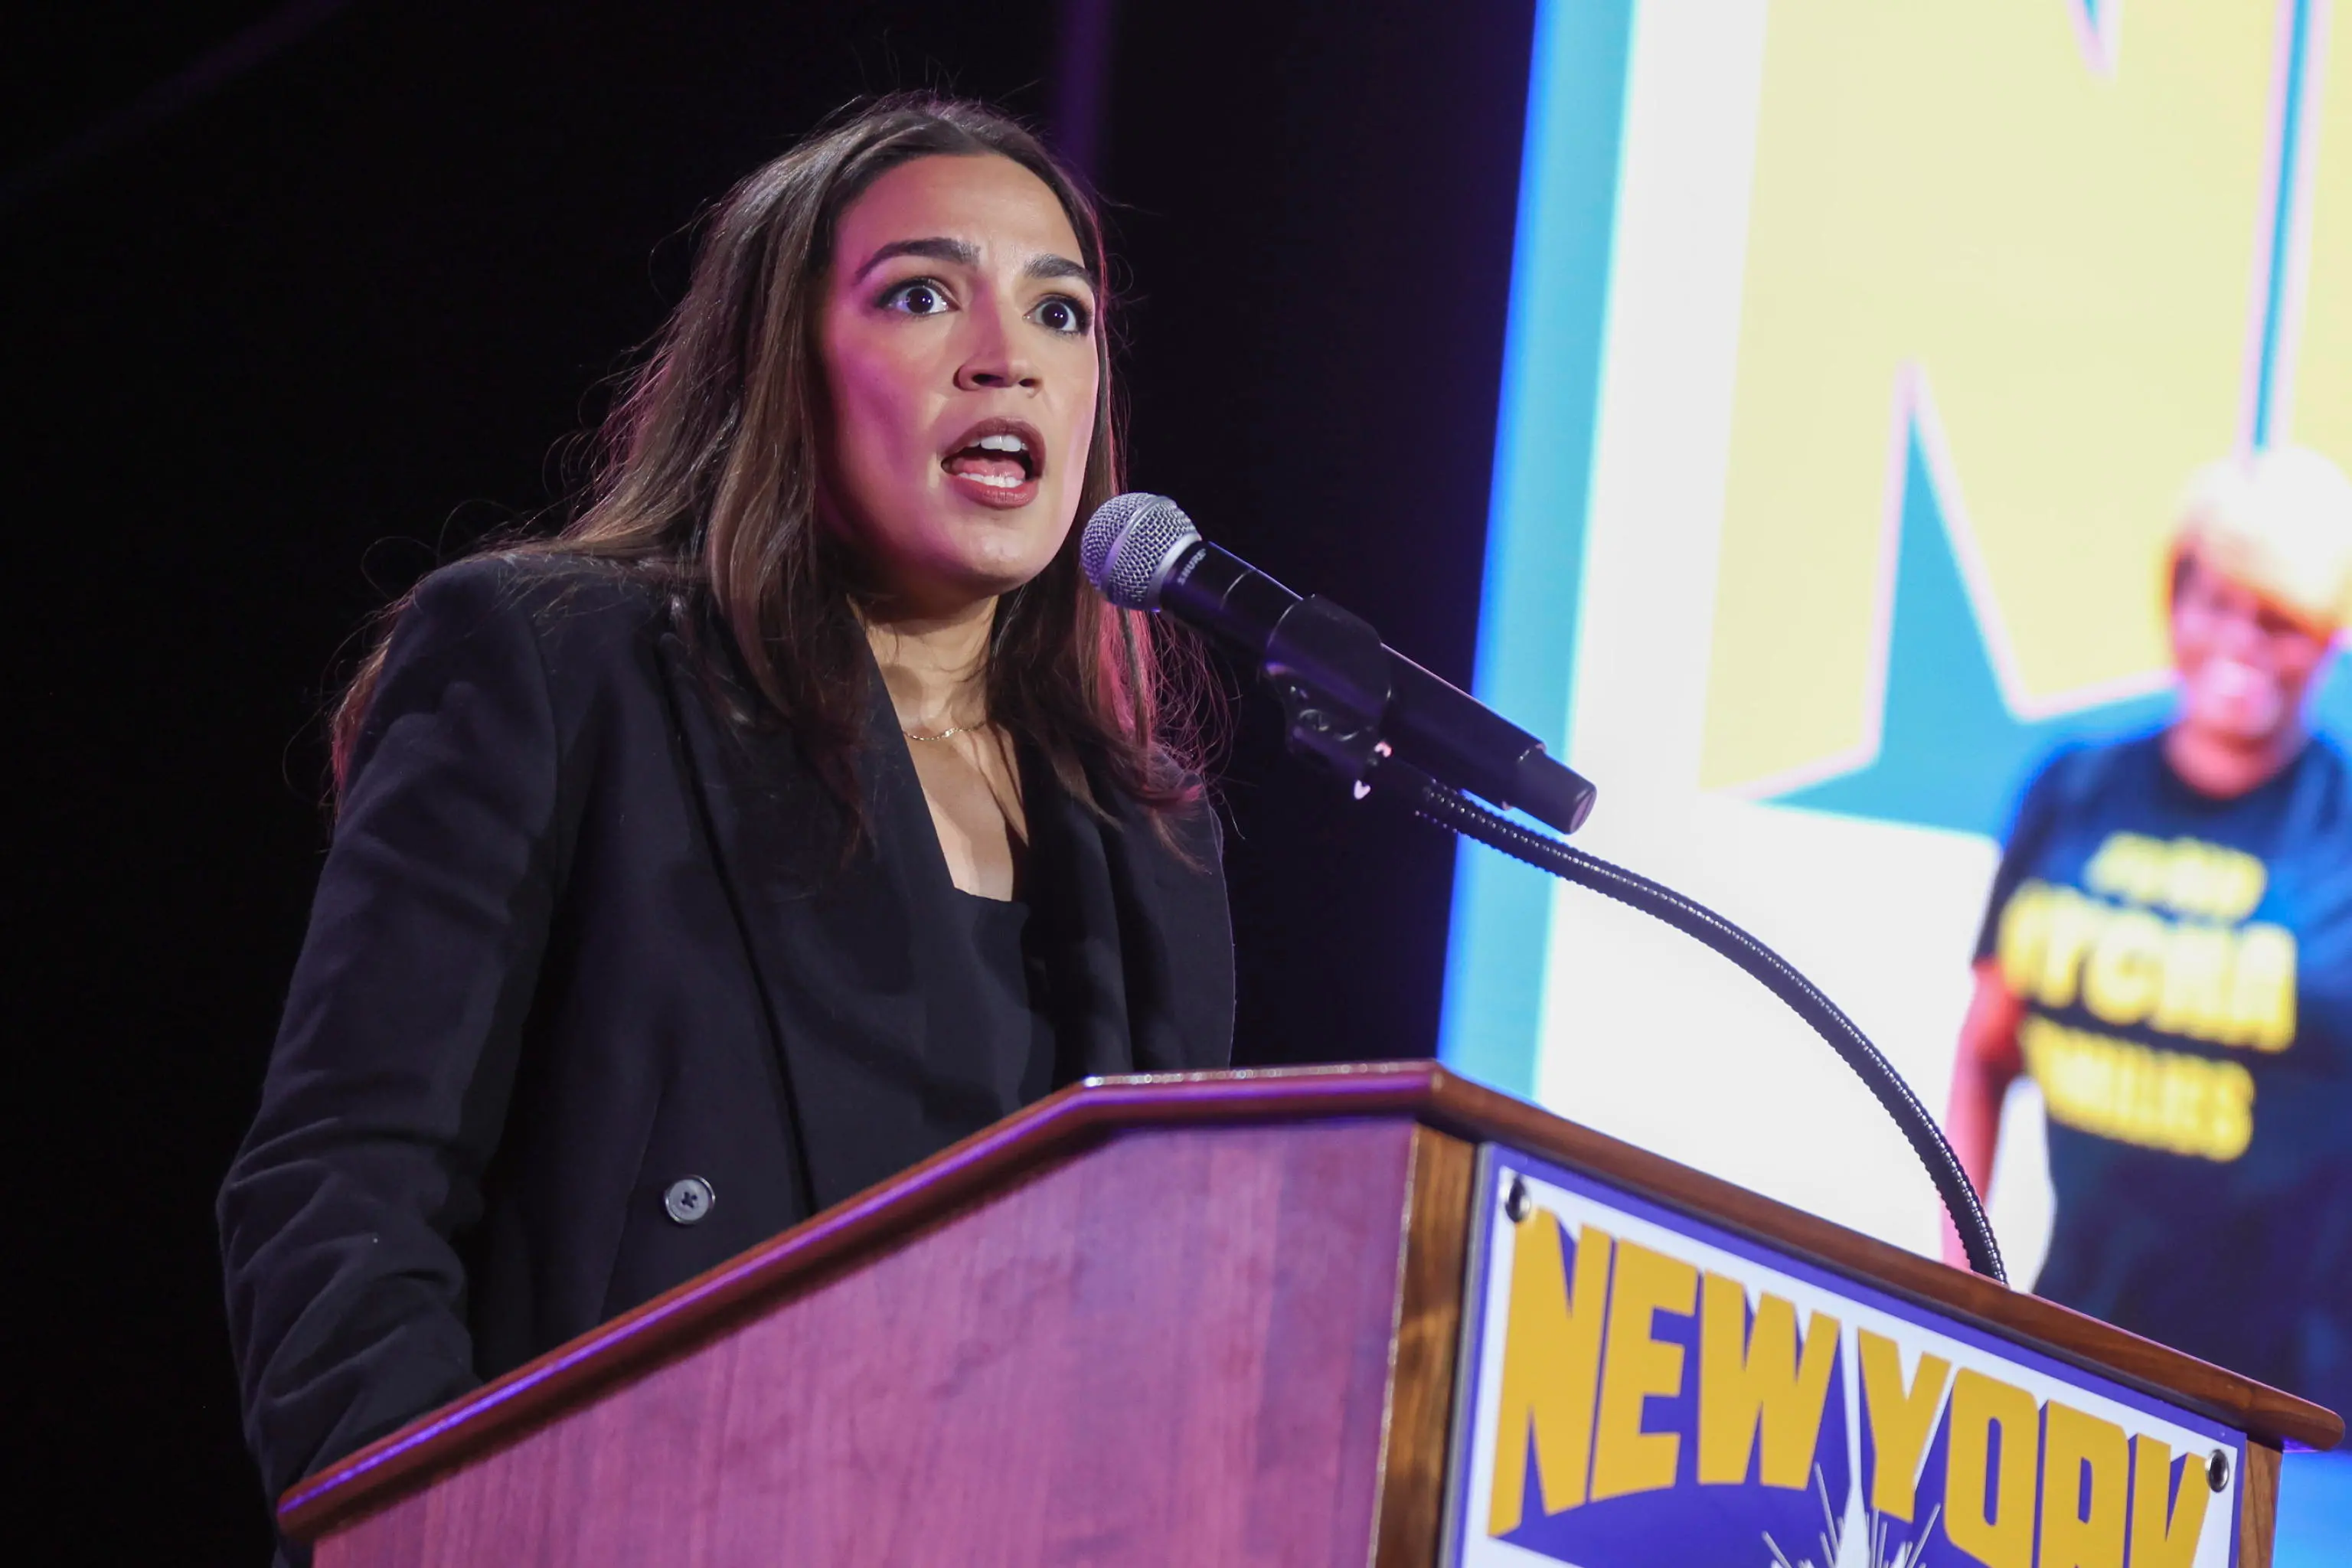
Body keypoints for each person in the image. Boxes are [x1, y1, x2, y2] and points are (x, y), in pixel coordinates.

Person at [217, 95, 1233, 1537]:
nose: (1007, 356)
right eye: (924, 296)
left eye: (1061, 313)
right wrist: (439, 1527)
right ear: (784, 367)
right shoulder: (564, 667)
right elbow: (345, 1184)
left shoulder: (1147, 842)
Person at [1944, 445, 2352, 1430]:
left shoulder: (2341, 830)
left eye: (2279, 620)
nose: (2239, 642)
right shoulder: (2074, 788)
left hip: (2292, 1404)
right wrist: (1955, 1287)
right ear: (2173, 597)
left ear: (2330, 641)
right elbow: (1988, 1047)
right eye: (2214, 601)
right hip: (2071, 1350)